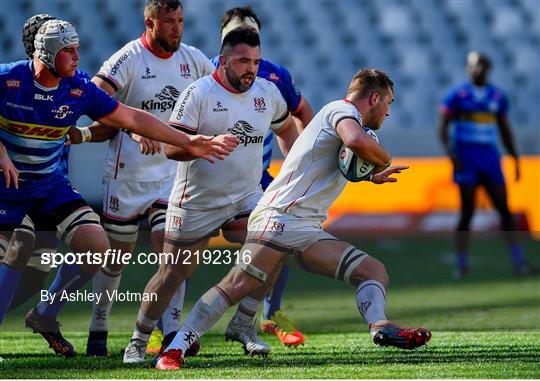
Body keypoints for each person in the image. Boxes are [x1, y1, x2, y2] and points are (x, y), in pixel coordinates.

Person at [154, 68, 432, 370]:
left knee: (373, 271)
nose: (389, 112)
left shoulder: (342, 119)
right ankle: (174, 349)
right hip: (279, 217)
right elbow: (355, 142)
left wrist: (369, 175)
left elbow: (332, 161)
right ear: (374, 97)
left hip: (305, 229)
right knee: (235, 284)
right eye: (388, 103)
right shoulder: (341, 110)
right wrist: (384, 157)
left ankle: (380, 326)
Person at [0, 18, 237, 358]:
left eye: (77, 48)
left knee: (97, 247)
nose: (77, 56)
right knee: (19, 246)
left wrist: (189, 141)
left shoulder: (78, 87)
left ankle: (46, 314)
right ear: (48, 53)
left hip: (48, 184)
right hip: (6, 186)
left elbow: (131, 118)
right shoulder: (8, 79)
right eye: (68, 50)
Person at [122, 26, 299, 363]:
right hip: (197, 201)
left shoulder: (268, 93)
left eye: (256, 62)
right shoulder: (198, 93)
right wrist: (201, 147)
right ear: (222, 61)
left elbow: (287, 128)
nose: (251, 68)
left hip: (245, 197)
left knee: (276, 243)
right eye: (243, 60)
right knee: (174, 273)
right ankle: (139, 339)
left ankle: (244, 323)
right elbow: (172, 150)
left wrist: (290, 171)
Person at [73, 0, 217, 357]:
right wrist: (133, 128)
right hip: (128, 176)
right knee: (116, 258)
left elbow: (214, 99)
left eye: (181, 20)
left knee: (173, 250)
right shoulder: (129, 58)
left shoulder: (194, 60)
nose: (176, 27)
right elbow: (94, 98)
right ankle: (99, 327)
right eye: (169, 21)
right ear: (150, 21)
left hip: (172, 175)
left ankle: (169, 331)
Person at [214, 5, 313, 348]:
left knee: (281, 234)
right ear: (224, 41)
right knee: (175, 253)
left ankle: (267, 315)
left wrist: (298, 164)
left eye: (252, 31)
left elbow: (300, 113)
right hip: (202, 181)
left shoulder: (274, 76)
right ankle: (160, 327)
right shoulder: (202, 73)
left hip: (255, 180)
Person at [438, 51, 539, 279]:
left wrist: (514, 157)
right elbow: (442, 126)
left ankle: (519, 262)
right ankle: (461, 264)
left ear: (488, 68)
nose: (477, 69)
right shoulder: (457, 95)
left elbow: (504, 129)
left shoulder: (497, 97)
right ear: (467, 68)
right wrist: (451, 154)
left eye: (481, 65)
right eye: (473, 65)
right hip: (467, 158)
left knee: (504, 210)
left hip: (491, 160)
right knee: (467, 212)